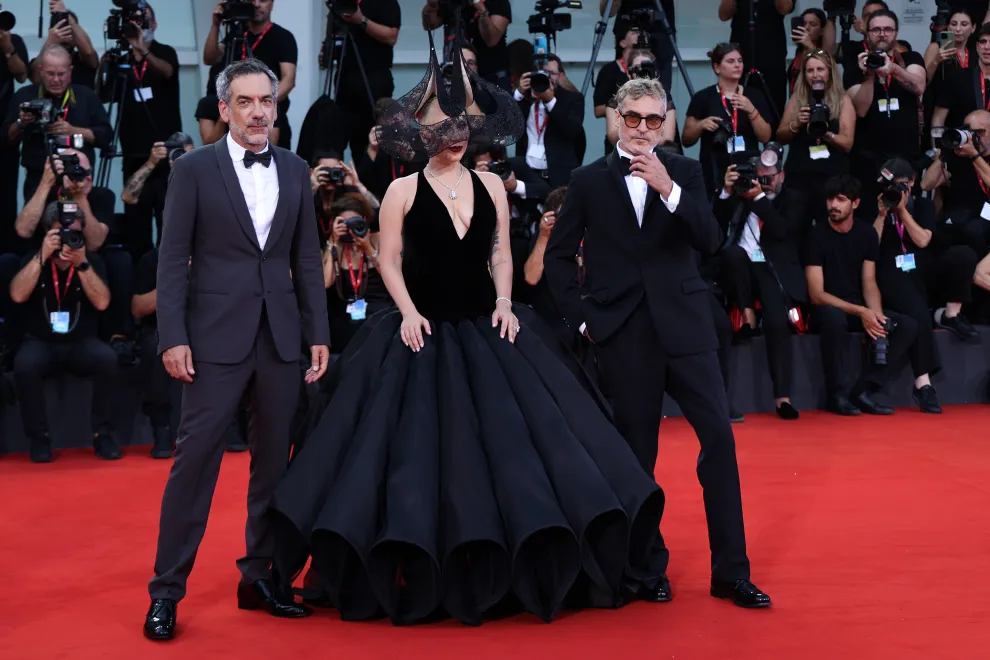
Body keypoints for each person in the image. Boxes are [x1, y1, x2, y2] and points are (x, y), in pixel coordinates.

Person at [266, 37, 667, 627]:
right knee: (412, 454)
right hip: (418, 332)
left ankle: (520, 566)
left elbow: (503, 251)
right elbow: (389, 260)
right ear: (421, 131)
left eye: (462, 124)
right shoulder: (401, 191)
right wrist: (405, 311)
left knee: (521, 451)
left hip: (489, 325)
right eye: (441, 125)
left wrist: (506, 300)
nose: (454, 134)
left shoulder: (489, 188)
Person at [545, 77, 772, 609]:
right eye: (633, 119)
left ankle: (731, 572)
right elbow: (558, 258)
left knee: (719, 441)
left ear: (667, 121)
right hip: (624, 335)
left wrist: (668, 189)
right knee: (636, 457)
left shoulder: (688, 173)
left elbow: (712, 242)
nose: (644, 130)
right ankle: (645, 569)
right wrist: (585, 321)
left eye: (653, 120)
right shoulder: (586, 180)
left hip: (688, 328)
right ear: (616, 119)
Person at [144, 59, 330, 641]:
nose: (257, 112)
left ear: (277, 107)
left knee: (274, 464)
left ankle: (261, 577)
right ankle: (166, 592)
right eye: (245, 102)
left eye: (266, 102)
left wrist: (317, 332)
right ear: (224, 108)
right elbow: (172, 258)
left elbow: (304, 259)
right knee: (193, 467)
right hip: (212, 340)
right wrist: (172, 335)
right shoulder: (193, 170)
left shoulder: (297, 170)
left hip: (279, 339)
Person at [683, 43, 773, 199]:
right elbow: (686, 139)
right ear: (717, 68)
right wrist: (701, 124)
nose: (737, 65)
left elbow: (765, 137)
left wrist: (751, 110)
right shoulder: (703, 97)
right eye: (731, 61)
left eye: (740, 61)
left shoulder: (754, 95)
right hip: (713, 169)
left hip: (748, 167)